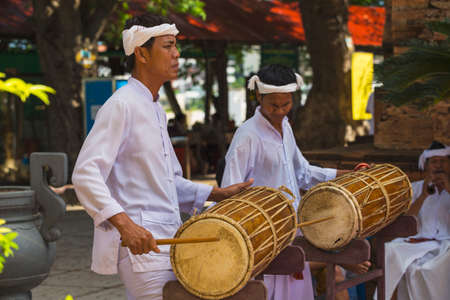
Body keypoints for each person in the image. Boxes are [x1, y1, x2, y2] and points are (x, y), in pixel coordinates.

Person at [71, 14, 252, 300]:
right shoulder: (121, 105)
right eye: (168, 46)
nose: (177, 54)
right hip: (142, 246)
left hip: (171, 239)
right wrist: (126, 226)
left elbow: (169, 183)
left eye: (175, 46)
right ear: (142, 53)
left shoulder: (155, 108)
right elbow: (85, 174)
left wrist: (219, 194)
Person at [220, 64, 370, 300]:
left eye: (286, 104)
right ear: (259, 96)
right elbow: (230, 192)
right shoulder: (247, 136)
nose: (280, 111)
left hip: (293, 230)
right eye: (273, 106)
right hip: (264, 236)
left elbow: (303, 173)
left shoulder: (286, 127)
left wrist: (347, 174)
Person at [384, 141, 449, 300]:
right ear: (426, 166)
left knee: (430, 268)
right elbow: (405, 221)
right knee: (390, 250)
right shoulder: (416, 188)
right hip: (418, 242)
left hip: (446, 244)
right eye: (434, 162)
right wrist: (423, 196)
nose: (438, 166)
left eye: (443, 161)